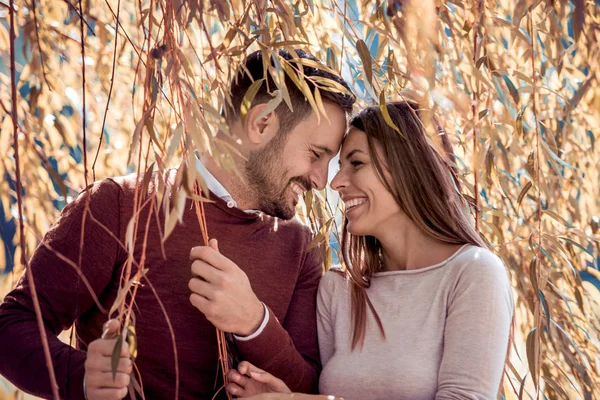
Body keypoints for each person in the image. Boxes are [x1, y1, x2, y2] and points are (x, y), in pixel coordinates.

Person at [0, 49, 355, 399]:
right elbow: (11, 326)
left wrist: (254, 324)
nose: (321, 180)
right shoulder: (119, 205)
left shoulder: (301, 248)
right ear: (260, 124)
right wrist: (81, 378)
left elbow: (308, 387)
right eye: (316, 155)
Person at [225, 101, 514, 400]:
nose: (335, 183)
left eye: (357, 163)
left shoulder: (474, 273)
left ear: (409, 168)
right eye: (340, 167)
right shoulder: (337, 290)